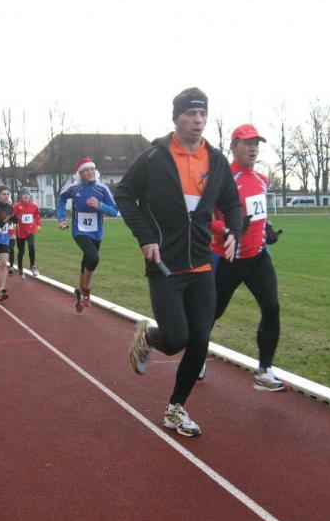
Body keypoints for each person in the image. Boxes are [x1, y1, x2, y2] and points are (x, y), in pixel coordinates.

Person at [116, 87, 242, 437]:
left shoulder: (215, 160)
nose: (198, 120)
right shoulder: (154, 157)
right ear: (176, 118)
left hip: (202, 264)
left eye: (203, 114)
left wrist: (234, 231)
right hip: (165, 264)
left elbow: (232, 203)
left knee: (200, 340)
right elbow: (124, 194)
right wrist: (145, 236)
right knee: (175, 339)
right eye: (191, 114)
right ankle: (148, 336)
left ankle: (176, 408)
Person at [211, 123, 285, 391]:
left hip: (257, 256)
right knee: (211, 313)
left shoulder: (262, 180)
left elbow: (257, 217)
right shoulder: (222, 180)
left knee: (272, 307)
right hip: (229, 258)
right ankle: (194, 355)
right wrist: (226, 228)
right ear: (233, 147)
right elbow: (205, 218)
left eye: (256, 144)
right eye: (247, 143)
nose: (253, 149)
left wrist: (268, 230)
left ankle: (264, 371)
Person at [57, 157, 119, 312]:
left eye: (92, 169)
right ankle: (86, 289)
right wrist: (62, 219)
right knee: (93, 258)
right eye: (86, 170)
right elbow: (61, 199)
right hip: (79, 230)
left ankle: (79, 292)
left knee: (87, 261)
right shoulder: (74, 188)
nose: (90, 172)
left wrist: (100, 205)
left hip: (96, 232)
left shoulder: (102, 188)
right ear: (80, 173)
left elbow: (114, 211)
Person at [13, 188, 42, 279]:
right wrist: (15, 219)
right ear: (20, 196)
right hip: (20, 232)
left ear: (30, 196)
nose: (26, 196)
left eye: (27, 194)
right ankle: (20, 268)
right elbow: (13, 217)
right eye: (24, 194)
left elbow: (37, 215)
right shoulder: (17, 206)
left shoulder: (34, 205)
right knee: (21, 251)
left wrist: (38, 224)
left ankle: (32, 266)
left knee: (31, 246)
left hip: (30, 230)